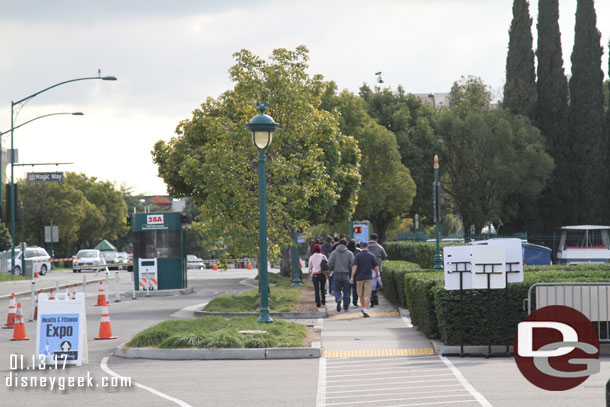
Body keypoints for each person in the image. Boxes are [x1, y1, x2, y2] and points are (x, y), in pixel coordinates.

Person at [350, 241, 379, 317]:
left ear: (361, 247)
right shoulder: (371, 256)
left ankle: (363, 308)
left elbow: (354, 267)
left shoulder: (358, 256)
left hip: (359, 278)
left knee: (361, 295)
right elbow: (376, 267)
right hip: (368, 278)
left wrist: (352, 277)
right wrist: (376, 275)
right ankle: (365, 310)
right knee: (367, 295)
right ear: (367, 247)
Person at [328, 239, 354, 312]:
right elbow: (352, 264)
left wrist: (331, 269)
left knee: (337, 289)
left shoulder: (334, 253)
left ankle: (338, 298)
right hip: (346, 274)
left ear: (338, 244)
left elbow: (329, 264)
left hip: (336, 274)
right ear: (346, 244)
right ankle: (345, 306)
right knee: (346, 291)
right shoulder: (350, 253)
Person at [367, 233, 387, 307]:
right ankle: (375, 295)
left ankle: (371, 298)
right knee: (376, 283)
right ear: (377, 239)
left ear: (370, 238)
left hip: (367, 269)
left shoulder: (366, 246)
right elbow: (385, 256)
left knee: (368, 284)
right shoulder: (380, 247)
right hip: (377, 268)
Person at [308, 244, 328, 308]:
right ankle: (323, 301)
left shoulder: (311, 257)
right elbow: (326, 264)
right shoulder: (323, 256)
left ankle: (318, 303)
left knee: (316, 289)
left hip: (315, 274)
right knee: (322, 288)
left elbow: (310, 267)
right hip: (322, 274)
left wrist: (310, 273)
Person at [346, 239, 361, 307]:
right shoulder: (359, 251)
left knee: (347, 288)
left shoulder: (346, 251)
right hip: (357, 271)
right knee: (355, 288)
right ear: (355, 244)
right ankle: (355, 302)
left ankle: (347, 301)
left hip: (347, 271)